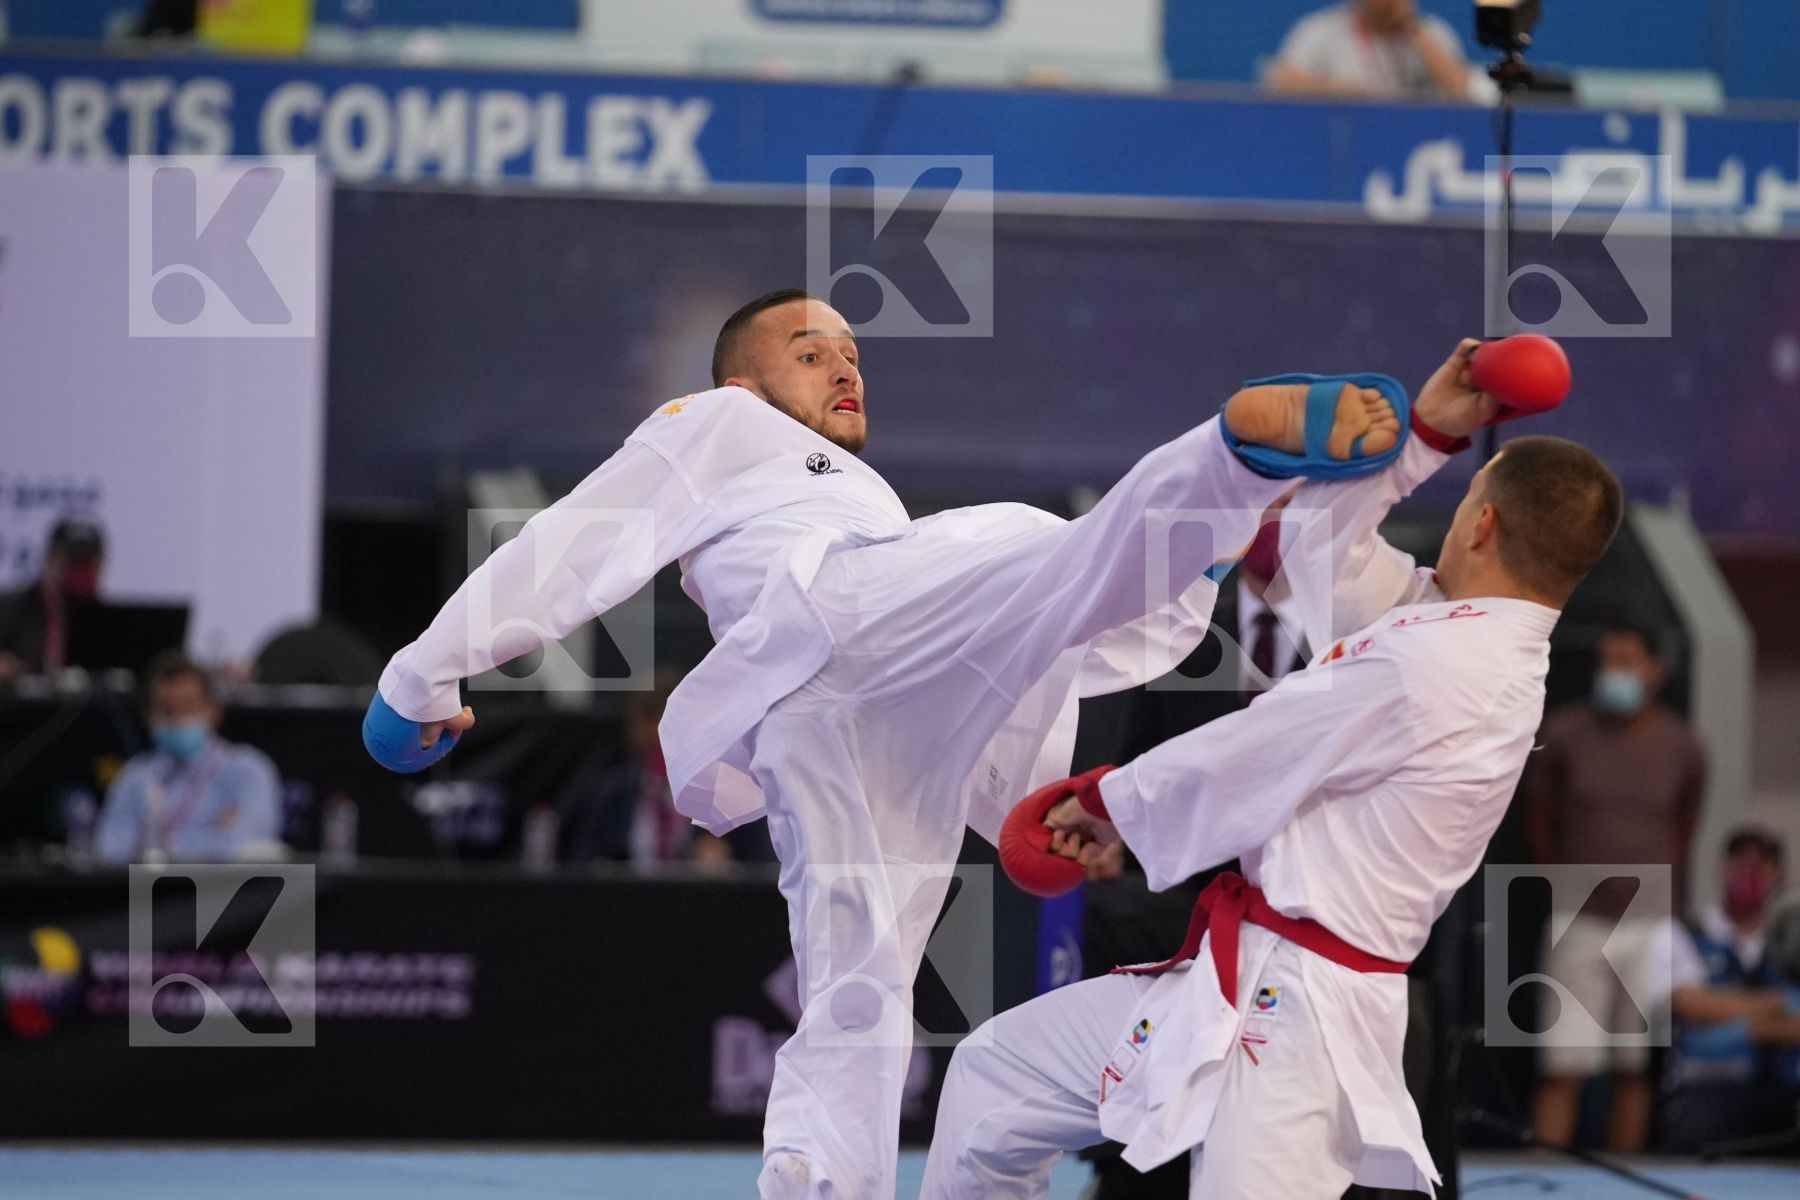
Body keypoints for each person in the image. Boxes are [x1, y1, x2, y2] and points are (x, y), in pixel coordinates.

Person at [363, 287, 1408, 1199]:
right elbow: (574, 544)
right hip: (835, 618)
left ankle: (816, 1181)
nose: (844, 370)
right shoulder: (720, 423)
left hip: (849, 719)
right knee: (1039, 552)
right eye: (810, 353)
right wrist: (422, 674)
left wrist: (1178, 592)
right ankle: (1225, 473)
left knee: (858, 987)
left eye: (853, 355)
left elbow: (1020, 649)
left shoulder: (858, 489)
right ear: (740, 381)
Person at [921, 345, 1625, 1199]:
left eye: (1465, 496)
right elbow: (1316, 556)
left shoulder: (1441, 664)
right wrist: (1425, 438)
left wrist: (1101, 802)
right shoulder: (1450, 630)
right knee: (997, 1078)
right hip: (1234, 976)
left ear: (1480, 524)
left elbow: (1261, 746)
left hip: (1302, 1015)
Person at [1524, 619, 1707, 1152]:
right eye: (1606, 661)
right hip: (1578, 919)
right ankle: (1540, 1178)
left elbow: (1685, 825)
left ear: (1655, 671)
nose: (1612, 672)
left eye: (1625, 661)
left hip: (1648, 922)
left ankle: (1624, 1177)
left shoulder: (1683, 745)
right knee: (1563, 1065)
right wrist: (1560, 882)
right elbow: (1537, 817)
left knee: (1633, 1067)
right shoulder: (1564, 733)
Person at [1658, 827, 1796, 1152]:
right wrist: (1777, 1010)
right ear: (1722, 868)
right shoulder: (1683, 934)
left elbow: (1709, 1008)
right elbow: (1689, 1007)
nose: (1749, 873)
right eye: (1740, 863)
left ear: (1779, 875)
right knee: (1693, 1133)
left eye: (1761, 865)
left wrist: (1727, 1013)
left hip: (1786, 1088)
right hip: (1709, 1088)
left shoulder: (1790, 943)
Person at [95, 651, 283, 863]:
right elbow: (109, 853)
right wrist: (213, 834)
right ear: (148, 717)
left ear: (214, 711)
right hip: (145, 884)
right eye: (166, 709)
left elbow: (245, 847)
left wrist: (161, 854)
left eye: (188, 706)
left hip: (220, 884)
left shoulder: (248, 771)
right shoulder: (135, 776)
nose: (178, 717)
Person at [562, 667, 736, 866]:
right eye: (651, 721)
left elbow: (758, 864)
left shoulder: (726, 796)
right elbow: (581, 863)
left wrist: (725, 864)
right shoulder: (608, 795)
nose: (658, 731)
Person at [1266, 0, 1482, 101]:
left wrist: (1413, 29)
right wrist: (1337, 91)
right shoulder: (1323, 30)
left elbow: (1461, 89)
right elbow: (1281, 81)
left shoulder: (1431, 33)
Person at [0, 516, 105, 685]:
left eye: (86, 562)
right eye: (72, 561)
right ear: (50, 558)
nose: (79, 570)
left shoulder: (106, 622)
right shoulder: (9, 609)